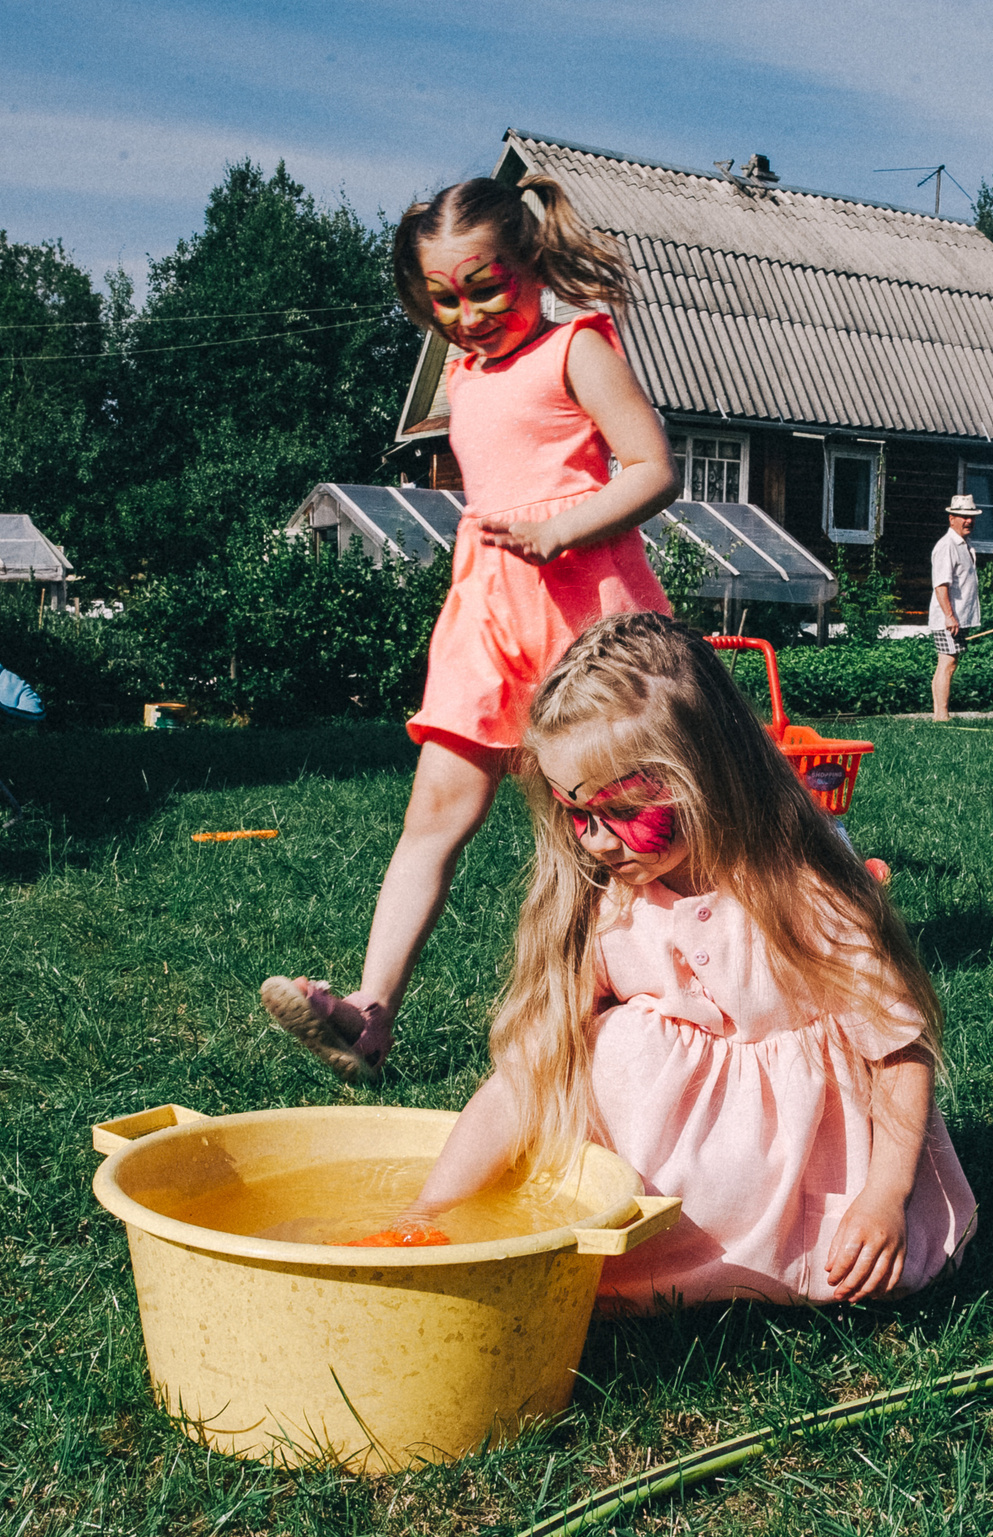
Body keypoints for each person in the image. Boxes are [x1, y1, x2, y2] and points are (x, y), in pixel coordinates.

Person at [360, 612, 977, 1310]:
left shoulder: (800, 892)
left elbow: (898, 1048)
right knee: (592, 1043)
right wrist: (429, 1209)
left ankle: (754, 1263)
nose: (596, 841)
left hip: (803, 1188)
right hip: (670, 1191)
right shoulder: (615, 905)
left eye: (622, 809)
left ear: (708, 772)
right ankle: (655, 1257)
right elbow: (527, 1070)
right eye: (576, 813)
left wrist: (885, 1195)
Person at [259, 176, 680, 1083]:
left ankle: (657, 996)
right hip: (489, 610)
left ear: (531, 262)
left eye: (487, 286)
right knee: (434, 816)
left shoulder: (578, 346)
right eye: (444, 298)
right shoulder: (461, 372)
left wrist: (564, 526)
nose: (470, 313)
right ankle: (370, 1015)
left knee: (616, 824)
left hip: (586, 608)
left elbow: (653, 470)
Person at [927, 494, 981, 721]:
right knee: (947, 662)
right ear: (951, 519)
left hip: (959, 618)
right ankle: (941, 715)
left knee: (952, 662)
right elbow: (941, 584)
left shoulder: (965, 545)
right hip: (947, 619)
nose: (968, 521)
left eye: (971, 517)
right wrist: (950, 616)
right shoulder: (946, 546)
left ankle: (942, 714)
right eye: (963, 517)